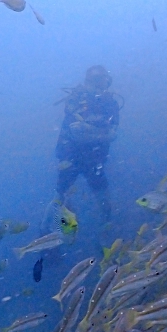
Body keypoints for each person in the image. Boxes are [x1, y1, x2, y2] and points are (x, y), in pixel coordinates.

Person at [54, 65, 121, 222]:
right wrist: (99, 133)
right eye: (95, 81)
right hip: (71, 158)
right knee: (59, 196)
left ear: (107, 83)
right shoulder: (76, 100)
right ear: (87, 82)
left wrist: (87, 129)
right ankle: (46, 231)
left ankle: (107, 229)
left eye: (102, 81)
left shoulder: (111, 104)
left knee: (103, 198)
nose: (98, 85)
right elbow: (75, 132)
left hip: (95, 160)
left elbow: (113, 134)